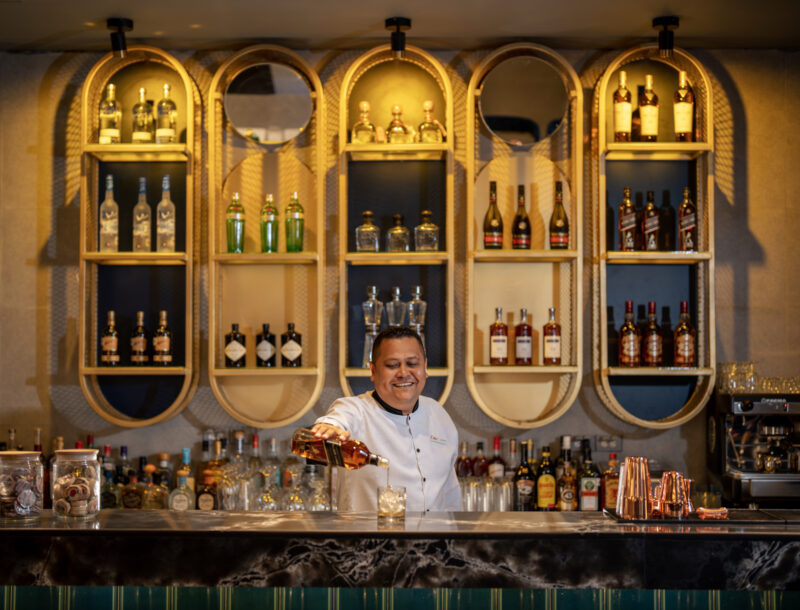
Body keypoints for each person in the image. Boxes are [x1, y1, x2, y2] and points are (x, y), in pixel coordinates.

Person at [312, 326, 461, 512]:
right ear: (373, 371)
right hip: (368, 540)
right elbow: (336, 420)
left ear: (425, 367)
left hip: (437, 539)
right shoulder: (355, 410)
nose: (403, 373)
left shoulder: (438, 414)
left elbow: (451, 493)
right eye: (392, 365)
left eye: (412, 363)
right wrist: (328, 429)